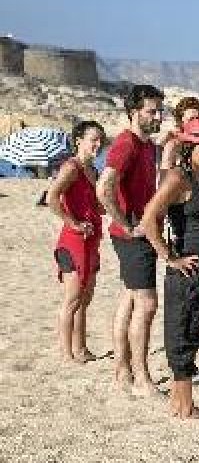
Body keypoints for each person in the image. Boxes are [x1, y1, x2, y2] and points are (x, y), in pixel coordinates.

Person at [138, 118, 199, 419]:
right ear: (190, 148)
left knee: (194, 329)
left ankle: (178, 403)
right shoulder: (179, 177)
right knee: (183, 331)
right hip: (189, 268)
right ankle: (185, 406)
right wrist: (169, 257)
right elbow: (150, 219)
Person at [98, 83, 165, 396]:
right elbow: (104, 188)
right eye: (152, 111)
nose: (157, 116)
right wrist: (125, 223)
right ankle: (141, 377)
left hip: (142, 230)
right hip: (132, 234)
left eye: (159, 110)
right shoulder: (126, 144)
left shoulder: (148, 145)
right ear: (134, 112)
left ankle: (122, 370)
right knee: (147, 303)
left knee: (130, 298)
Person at [47, 120, 106, 364]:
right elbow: (51, 198)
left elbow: (97, 206)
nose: (98, 144)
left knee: (86, 297)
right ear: (79, 141)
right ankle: (65, 352)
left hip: (92, 239)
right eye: (93, 139)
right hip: (73, 241)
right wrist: (72, 222)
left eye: (101, 140)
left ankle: (81, 348)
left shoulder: (94, 171)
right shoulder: (71, 168)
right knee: (72, 299)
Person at [159, 97, 199, 174]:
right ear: (181, 122)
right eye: (191, 119)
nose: (196, 123)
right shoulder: (173, 145)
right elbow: (165, 179)